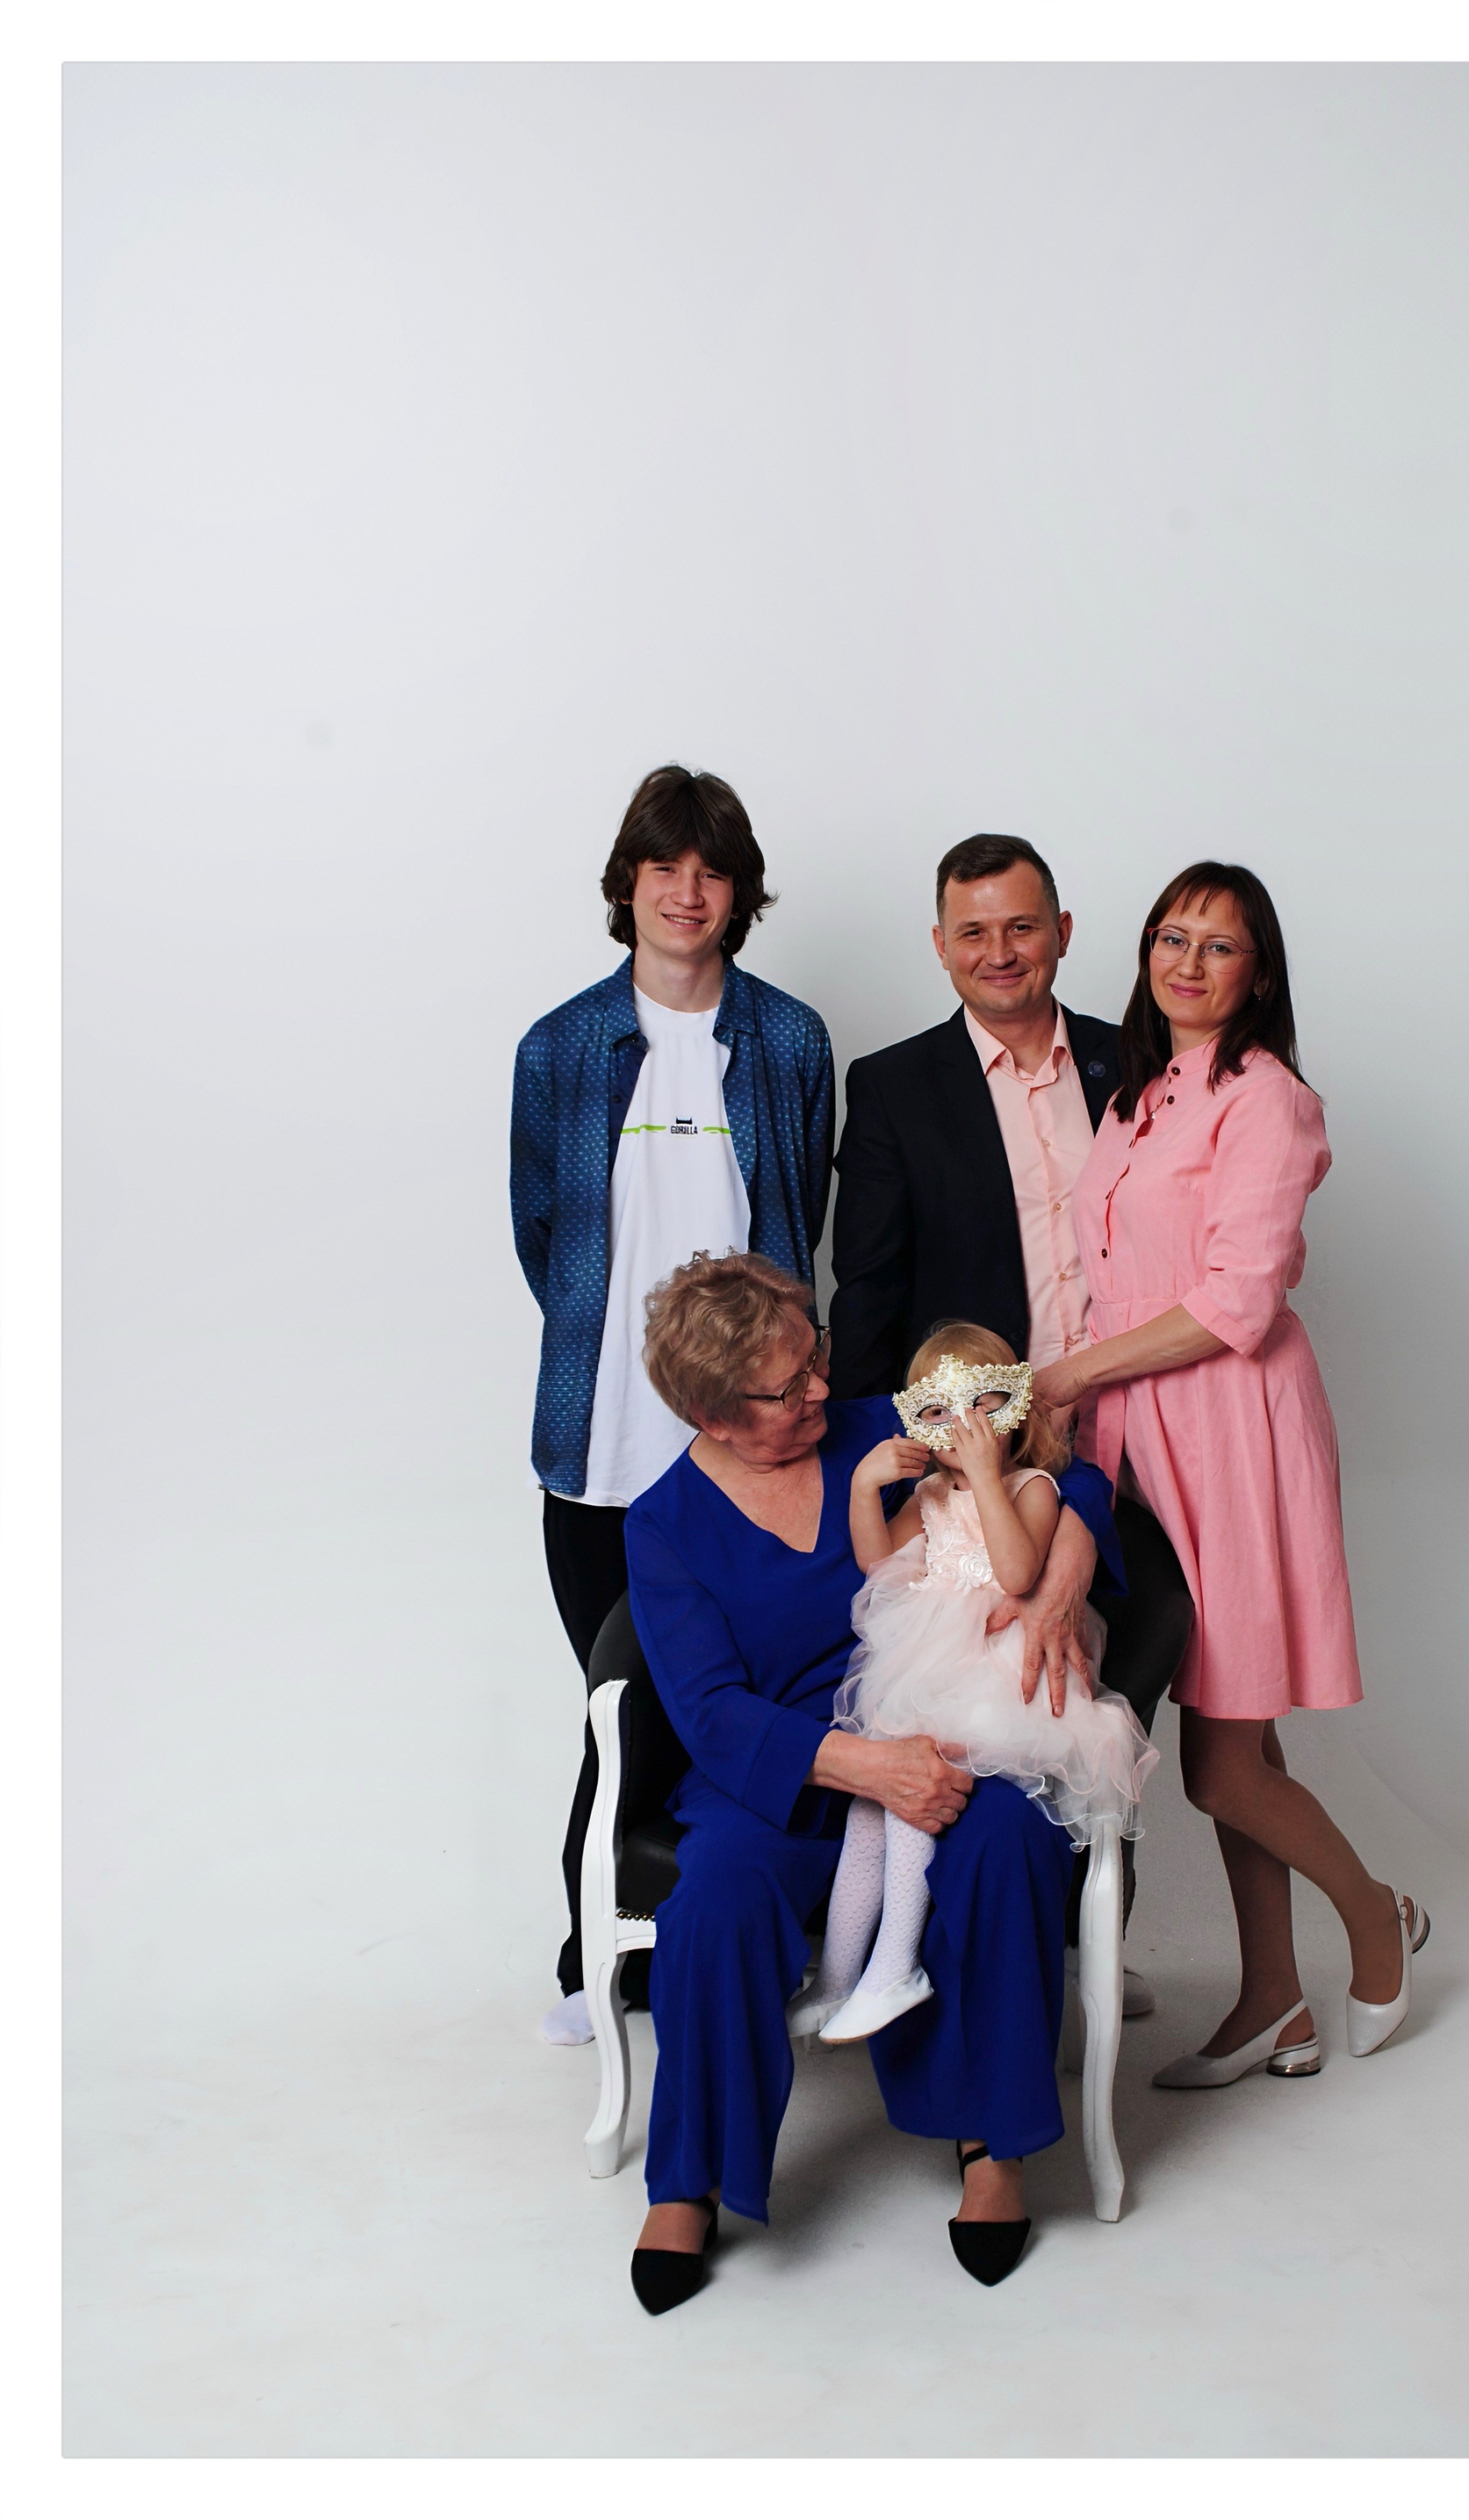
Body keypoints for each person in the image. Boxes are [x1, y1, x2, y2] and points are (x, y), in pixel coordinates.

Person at [623, 1253, 1130, 2312]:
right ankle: (688, 2177)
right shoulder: (663, 1524)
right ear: (714, 1415)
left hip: (943, 1723)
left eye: (815, 1359)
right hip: (781, 1765)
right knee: (715, 1898)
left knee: (1008, 1838)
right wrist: (869, 1767)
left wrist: (1069, 1560)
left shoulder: (877, 1427)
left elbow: (1053, 1465)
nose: (821, 1386)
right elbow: (709, 1708)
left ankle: (991, 2141)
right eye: (787, 1386)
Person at [1036, 864, 1429, 2086]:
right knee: (1232, 1733)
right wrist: (1071, 1402)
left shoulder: (1270, 1100)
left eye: (1220, 944)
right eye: (1172, 936)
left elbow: (1237, 1301)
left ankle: (1376, 1913)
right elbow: (1111, 1272)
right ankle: (1272, 1997)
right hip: (1137, 1433)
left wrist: (1070, 1372)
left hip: (1232, 1430)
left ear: (1259, 974)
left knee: (1221, 1757)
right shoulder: (1136, 1094)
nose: (1189, 962)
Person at [828, 832, 1194, 2004]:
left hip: (1148, 1430)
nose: (1001, 951)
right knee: (1011, 1685)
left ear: (1064, 933)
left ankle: (1094, 1936)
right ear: (940, 946)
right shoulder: (894, 1087)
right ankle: (972, 1948)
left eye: (1023, 925)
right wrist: (889, 1463)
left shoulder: (1135, 1058)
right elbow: (868, 1295)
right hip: (989, 1457)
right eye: (974, 931)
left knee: (1124, 1670)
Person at [509, 765, 834, 2045]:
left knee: (755, 1694)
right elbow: (545, 1235)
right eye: (664, 868)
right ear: (628, 883)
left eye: (712, 871)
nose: (687, 893)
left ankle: (745, 1935)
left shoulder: (790, 1040)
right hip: (603, 1450)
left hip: (756, 1447)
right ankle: (596, 1957)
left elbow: (800, 1216)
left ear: (740, 892)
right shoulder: (559, 1047)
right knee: (628, 1708)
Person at [789, 1322, 1156, 2048]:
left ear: (1014, 1408)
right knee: (869, 1807)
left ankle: (895, 1967)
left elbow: (1016, 1574)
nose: (964, 1425)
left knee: (911, 1795)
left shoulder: (1033, 1488)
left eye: (984, 1403)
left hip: (999, 1675)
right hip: (929, 1668)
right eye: (940, 1410)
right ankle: (836, 1978)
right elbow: (879, 1569)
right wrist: (865, 1487)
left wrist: (988, 1478)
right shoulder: (928, 1492)